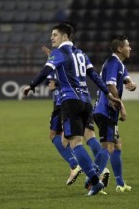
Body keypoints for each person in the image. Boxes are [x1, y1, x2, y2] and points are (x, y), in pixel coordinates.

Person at [23, 21, 123, 196]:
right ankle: (96, 175)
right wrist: (108, 94)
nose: (51, 37)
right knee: (88, 138)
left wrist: (31, 86)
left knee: (75, 143)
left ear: (64, 36)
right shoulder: (82, 54)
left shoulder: (59, 53)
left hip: (70, 102)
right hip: (86, 101)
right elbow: (94, 76)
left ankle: (94, 180)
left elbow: (46, 71)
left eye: (54, 34)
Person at [43, 46, 109, 189]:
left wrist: (51, 66)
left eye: (55, 35)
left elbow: (52, 84)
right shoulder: (77, 57)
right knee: (89, 135)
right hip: (83, 99)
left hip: (64, 102)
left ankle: (76, 166)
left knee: (60, 137)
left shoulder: (58, 59)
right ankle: (100, 168)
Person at [92, 35, 135, 192]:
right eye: (127, 45)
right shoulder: (112, 63)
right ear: (119, 48)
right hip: (105, 110)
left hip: (107, 111)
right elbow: (110, 86)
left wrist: (132, 85)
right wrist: (121, 105)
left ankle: (120, 183)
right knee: (108, 147)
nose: (130, 48)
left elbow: (126, 79)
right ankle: (92, 180)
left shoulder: (120, 65)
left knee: (117, 145)